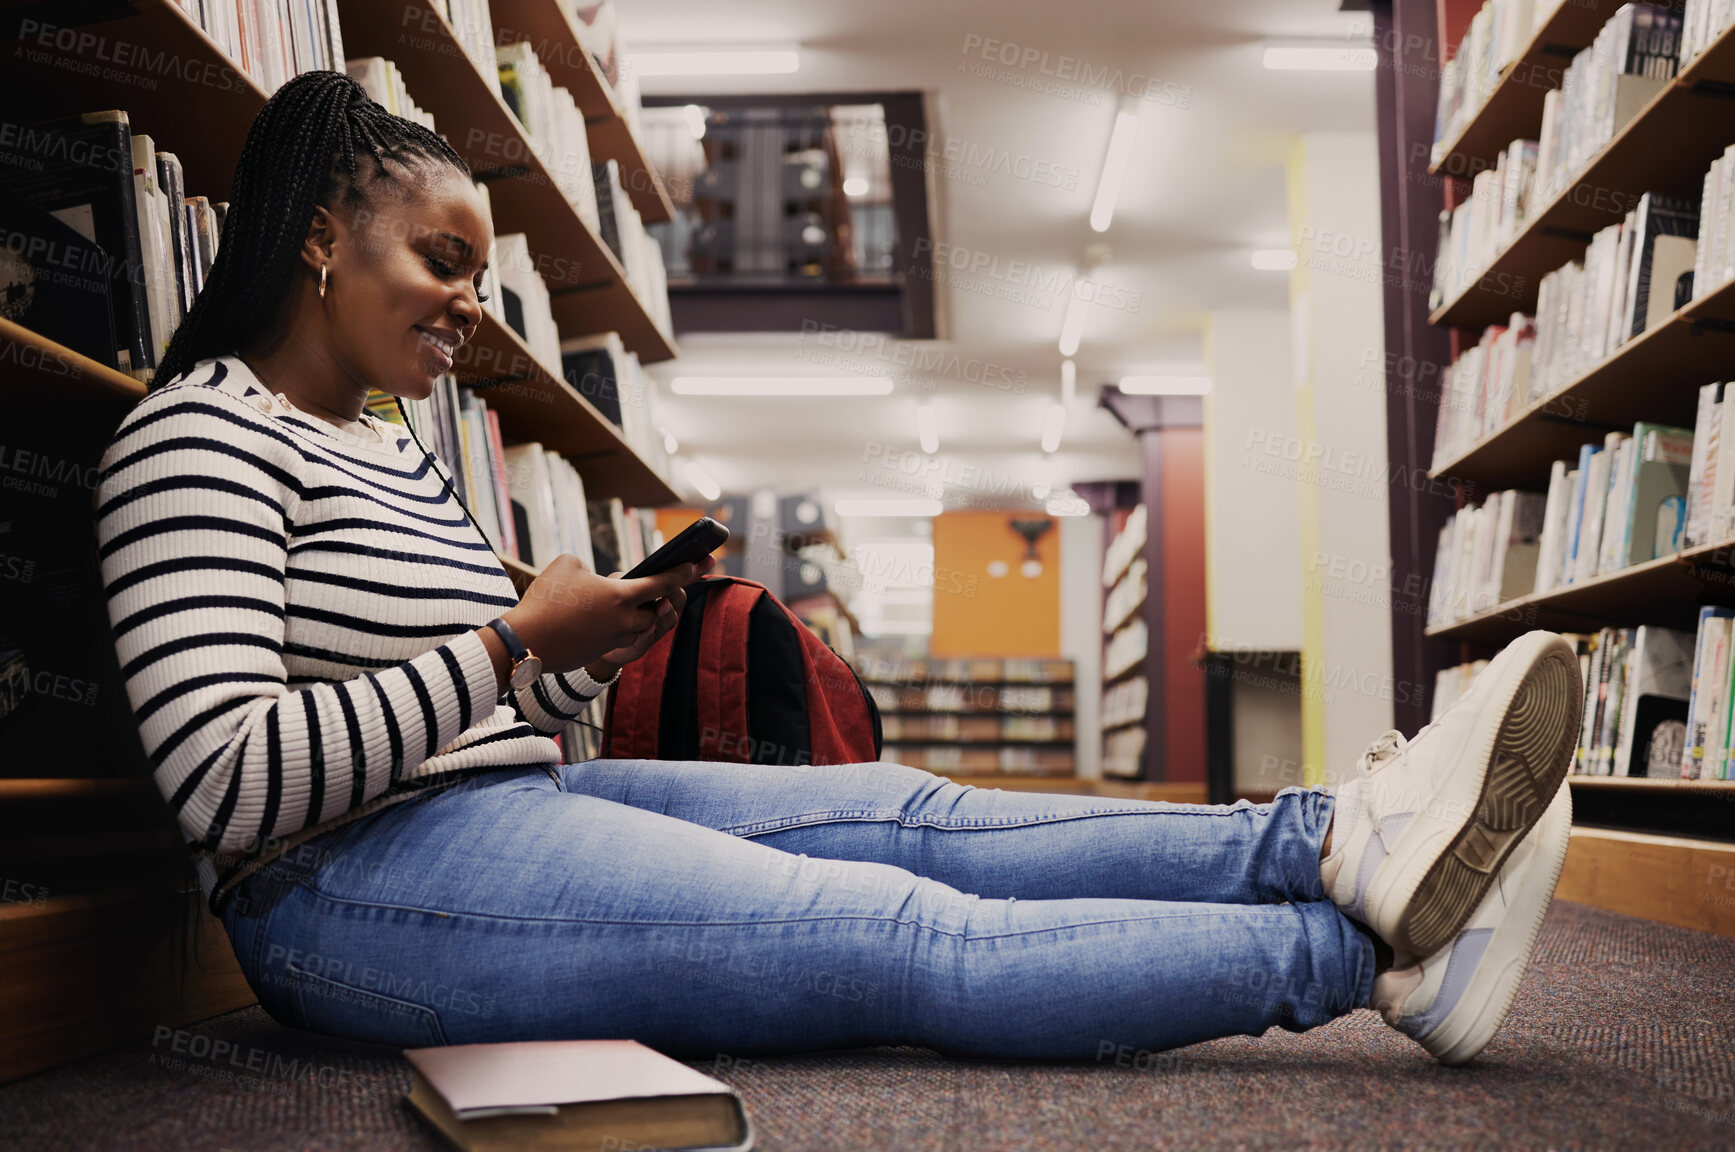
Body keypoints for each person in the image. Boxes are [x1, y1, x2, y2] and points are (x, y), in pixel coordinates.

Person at [96, 71, 1581, 1069]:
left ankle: (1337, 837)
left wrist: (569, 659)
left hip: (510, 792)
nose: (470, 309)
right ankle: (1367, 961)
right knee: (892, 936)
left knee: (904, 815)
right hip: (338, 896)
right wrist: (500, 646)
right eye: (442, 262)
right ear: (315, 246)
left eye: (482, 274)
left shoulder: (388, 443)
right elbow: (225, 787)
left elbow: (491, 714)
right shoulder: (194, 441)